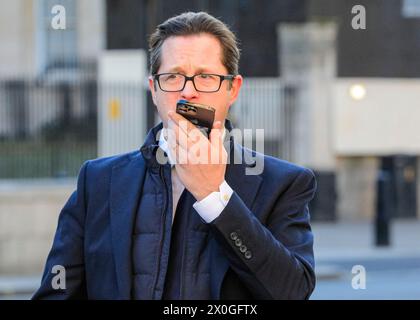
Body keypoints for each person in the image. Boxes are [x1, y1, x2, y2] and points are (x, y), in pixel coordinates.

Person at [33, 11, 316, 300]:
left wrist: (214, 196)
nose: (188, 92)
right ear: (154, 89)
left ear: (233, 89)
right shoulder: (98, 183)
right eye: (173, 76)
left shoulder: (283, 184)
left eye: (206, 77)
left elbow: (292, 292)